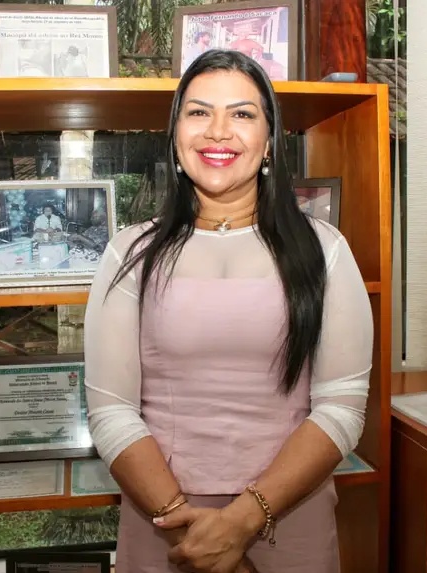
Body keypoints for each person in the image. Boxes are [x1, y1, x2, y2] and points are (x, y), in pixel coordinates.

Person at [84, 50, 373, 573]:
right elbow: (111, 412)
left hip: (289, 513)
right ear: (175, 135)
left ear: (269, 141)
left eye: (242, 113)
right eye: (198, 112)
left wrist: (240, 524)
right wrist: (193, 533)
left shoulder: (324, 250)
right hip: (163, 520)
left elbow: (341, 409)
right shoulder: (130, 254)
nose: (218, 131)